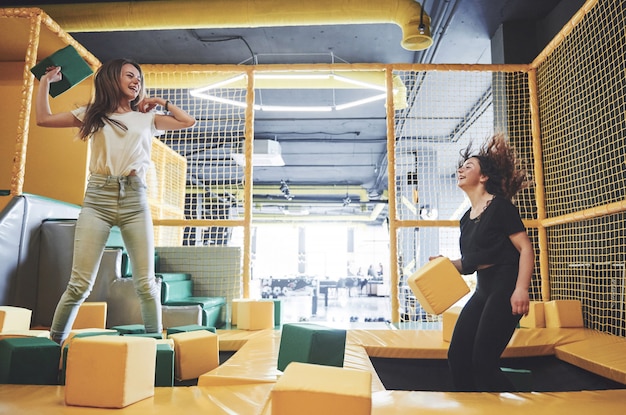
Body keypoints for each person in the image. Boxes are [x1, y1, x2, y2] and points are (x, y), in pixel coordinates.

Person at [36, 58, 196, 344]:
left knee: (146, 283)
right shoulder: (92, 115)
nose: (136, 81)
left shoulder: (147, 119)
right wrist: (45, 83)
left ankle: (155, 350)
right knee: (79, 284)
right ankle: (53, 344)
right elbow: (43, 119)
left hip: (135, 199)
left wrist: (160, 101)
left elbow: (187, 121)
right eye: (130, 76)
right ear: (112, 79)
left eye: (139, 78)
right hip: (98, 198)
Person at [430, 134, 533, 392]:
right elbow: (473, 262)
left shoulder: (500, 207)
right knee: (457, 357)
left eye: (468, 167)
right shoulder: (466, 219)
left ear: (483, 177)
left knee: (483, 362)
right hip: (483, 289)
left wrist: (521, 289)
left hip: (506, 286)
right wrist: (446, 264)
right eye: (461, 167)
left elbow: (526, 248)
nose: (460, 170)